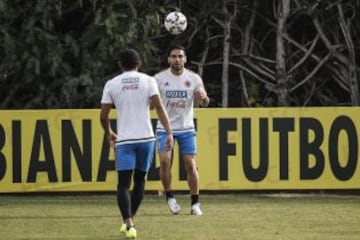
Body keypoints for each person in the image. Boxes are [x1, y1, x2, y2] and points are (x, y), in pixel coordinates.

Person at [100, 48, 173, 239]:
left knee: (123, 184)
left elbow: (104, 115)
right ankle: (130, 221)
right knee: (140, 180)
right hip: (146, 139)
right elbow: (158, 107)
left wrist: (109, 133)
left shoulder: (112, 84)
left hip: (125, 141)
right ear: (139, 63)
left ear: (120, 65)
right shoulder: (149, 81)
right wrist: (169, 132)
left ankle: (129, 222)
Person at [154, 45, 210, 216]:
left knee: (191, 165)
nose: (177, 59)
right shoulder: (158, 78)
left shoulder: (193, 78)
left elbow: (205, 102)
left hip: (186, 128)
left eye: (180, 56)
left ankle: (195, 203)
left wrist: (204, 98)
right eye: (173, 56)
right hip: (164, 128)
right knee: (164, 162)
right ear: (169, 59)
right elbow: (151, 102)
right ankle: (170, 196)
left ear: (185, 59)